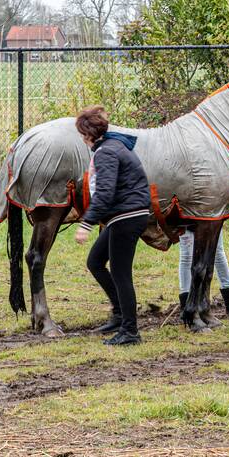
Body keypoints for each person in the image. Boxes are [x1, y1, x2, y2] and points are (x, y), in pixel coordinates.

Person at [73, 107, 150, 346]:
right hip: (126, 214)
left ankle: (130, 331)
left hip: (127, 216)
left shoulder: (106, 152)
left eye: (81, 133)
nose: (81, 138)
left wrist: (86, 223)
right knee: (95, 261)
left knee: (120, 273)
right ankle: (119, 315)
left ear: (88, 134)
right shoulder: (112, 146)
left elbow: (105, 192)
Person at [177, 230, 229, 329]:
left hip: (211, 214)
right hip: (186, 217)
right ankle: (186, 305)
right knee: (186, 255)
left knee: (218, 251)